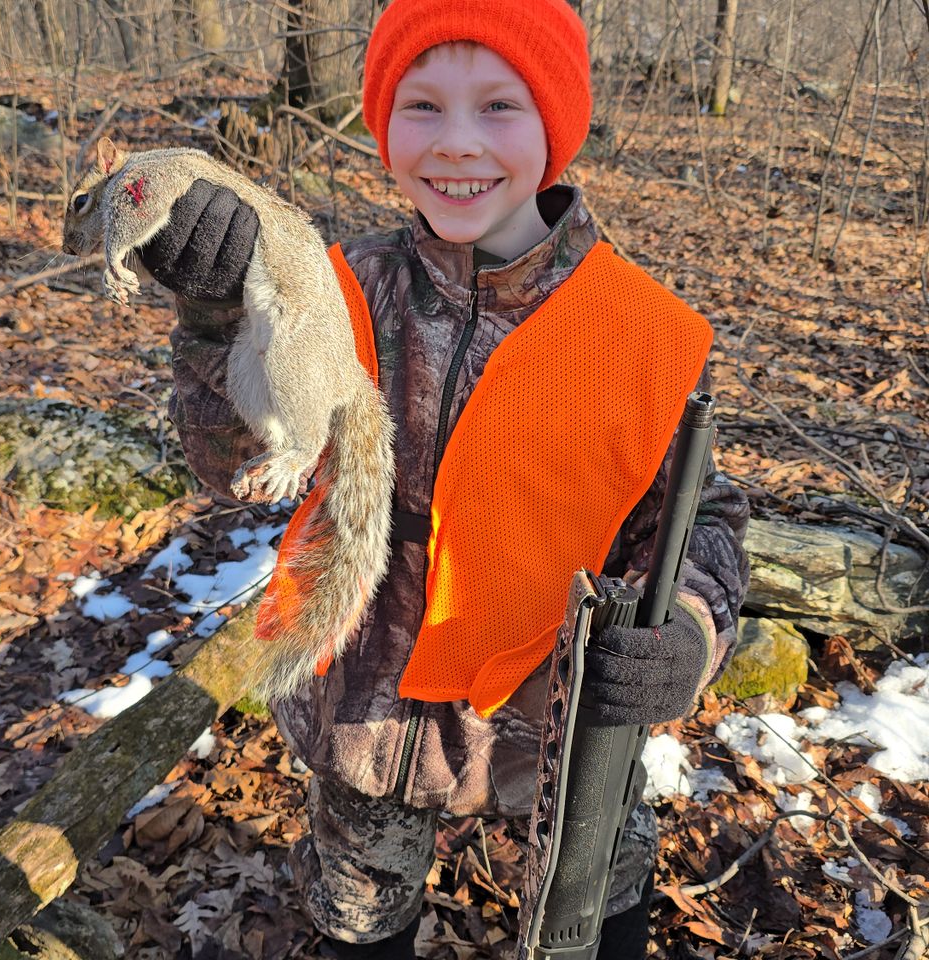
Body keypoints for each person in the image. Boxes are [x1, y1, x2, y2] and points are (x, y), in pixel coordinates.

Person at [139, 0, 750, 956]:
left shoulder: (645, 335)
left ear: (559, 119)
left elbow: (699, 521)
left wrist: (688, 632)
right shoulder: (341, 291)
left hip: (557, 720)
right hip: (365, 710)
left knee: (598, 919)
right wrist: (219, 320)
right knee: (357, 928)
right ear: (382, 121)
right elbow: (238, 467)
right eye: (421, 105)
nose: (456, 145)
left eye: (500, 105)